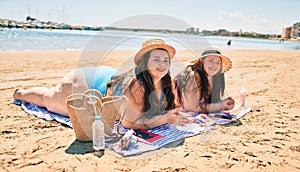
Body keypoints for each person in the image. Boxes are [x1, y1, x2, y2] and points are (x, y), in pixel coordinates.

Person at [13, 38, 192, 129]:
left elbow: (169, 106)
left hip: (107, 76)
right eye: (156, 59)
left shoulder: (165, 83)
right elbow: (129, 123)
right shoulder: (137, 85)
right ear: (145, 63)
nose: (162, 64)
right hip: (85, 86)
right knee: (48, 100)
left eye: (165, 60)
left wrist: (173, 112)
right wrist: (165, 119)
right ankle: (19, 93)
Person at [172, 47, 235, 113]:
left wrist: (225, 102)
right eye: (210, 61)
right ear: (202, 62)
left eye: (218, 62)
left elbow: (212, 102)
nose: (214, 65)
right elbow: (191, 108)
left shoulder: (214, 77)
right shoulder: (193, 77)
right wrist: (221, 106)